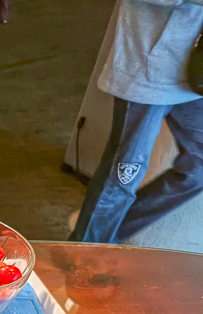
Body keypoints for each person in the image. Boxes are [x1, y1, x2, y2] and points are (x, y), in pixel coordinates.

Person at [70, 0, 203, 244]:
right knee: (122, 177)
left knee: (199, 169)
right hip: (149, 70)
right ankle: (84, 254)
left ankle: (99, 237)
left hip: (198, 76)